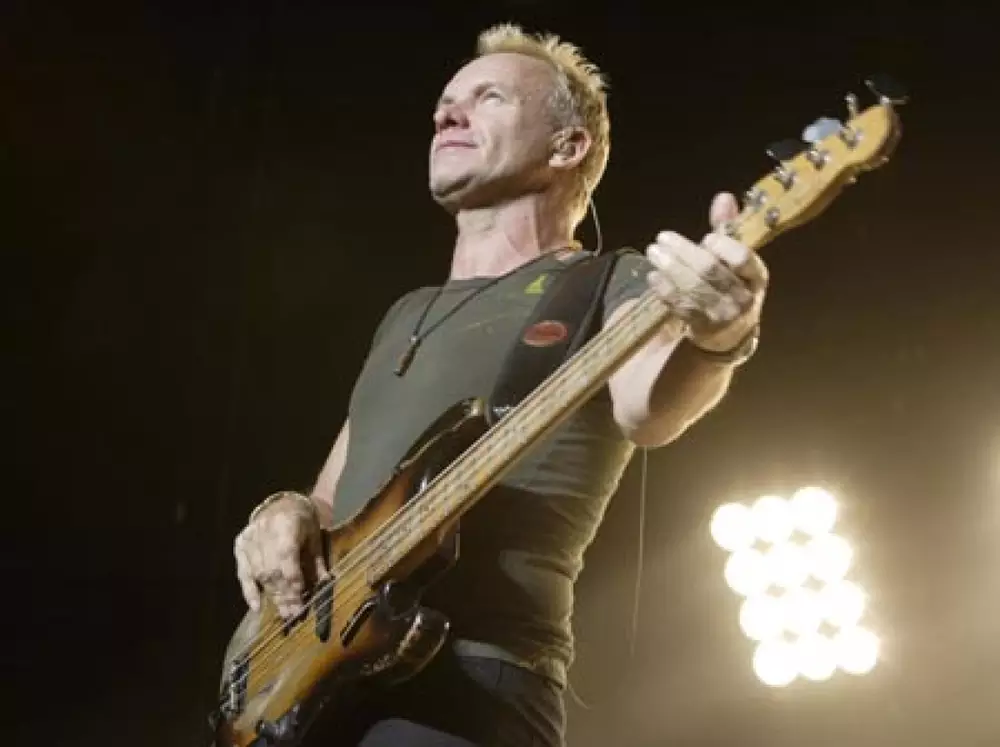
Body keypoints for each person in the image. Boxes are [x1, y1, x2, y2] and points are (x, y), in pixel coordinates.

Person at [231, 22, 768, 747]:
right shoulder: (407, 312)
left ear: (567, 147)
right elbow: (333, 499)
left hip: (468, 686)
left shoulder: (609, 281)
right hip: (315, 687)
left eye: (488, 99)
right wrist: (283, 510)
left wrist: (721, 337)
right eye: (445, 104)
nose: (446, 115)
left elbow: (649, 410)